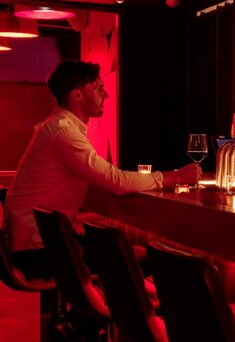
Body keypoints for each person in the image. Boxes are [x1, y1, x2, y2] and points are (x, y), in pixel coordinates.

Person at [2, 60, 201, 278]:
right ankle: (115, 311)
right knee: (157, 259)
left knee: (130, 251)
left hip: (37, 243)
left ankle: (94, 308)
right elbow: (116, 180)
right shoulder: (63, 133)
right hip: (39, 251)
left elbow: (107, 178)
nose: (105, 95)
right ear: (77, 95)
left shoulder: (58, 128)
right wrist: (176, 176)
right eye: (99, 89)